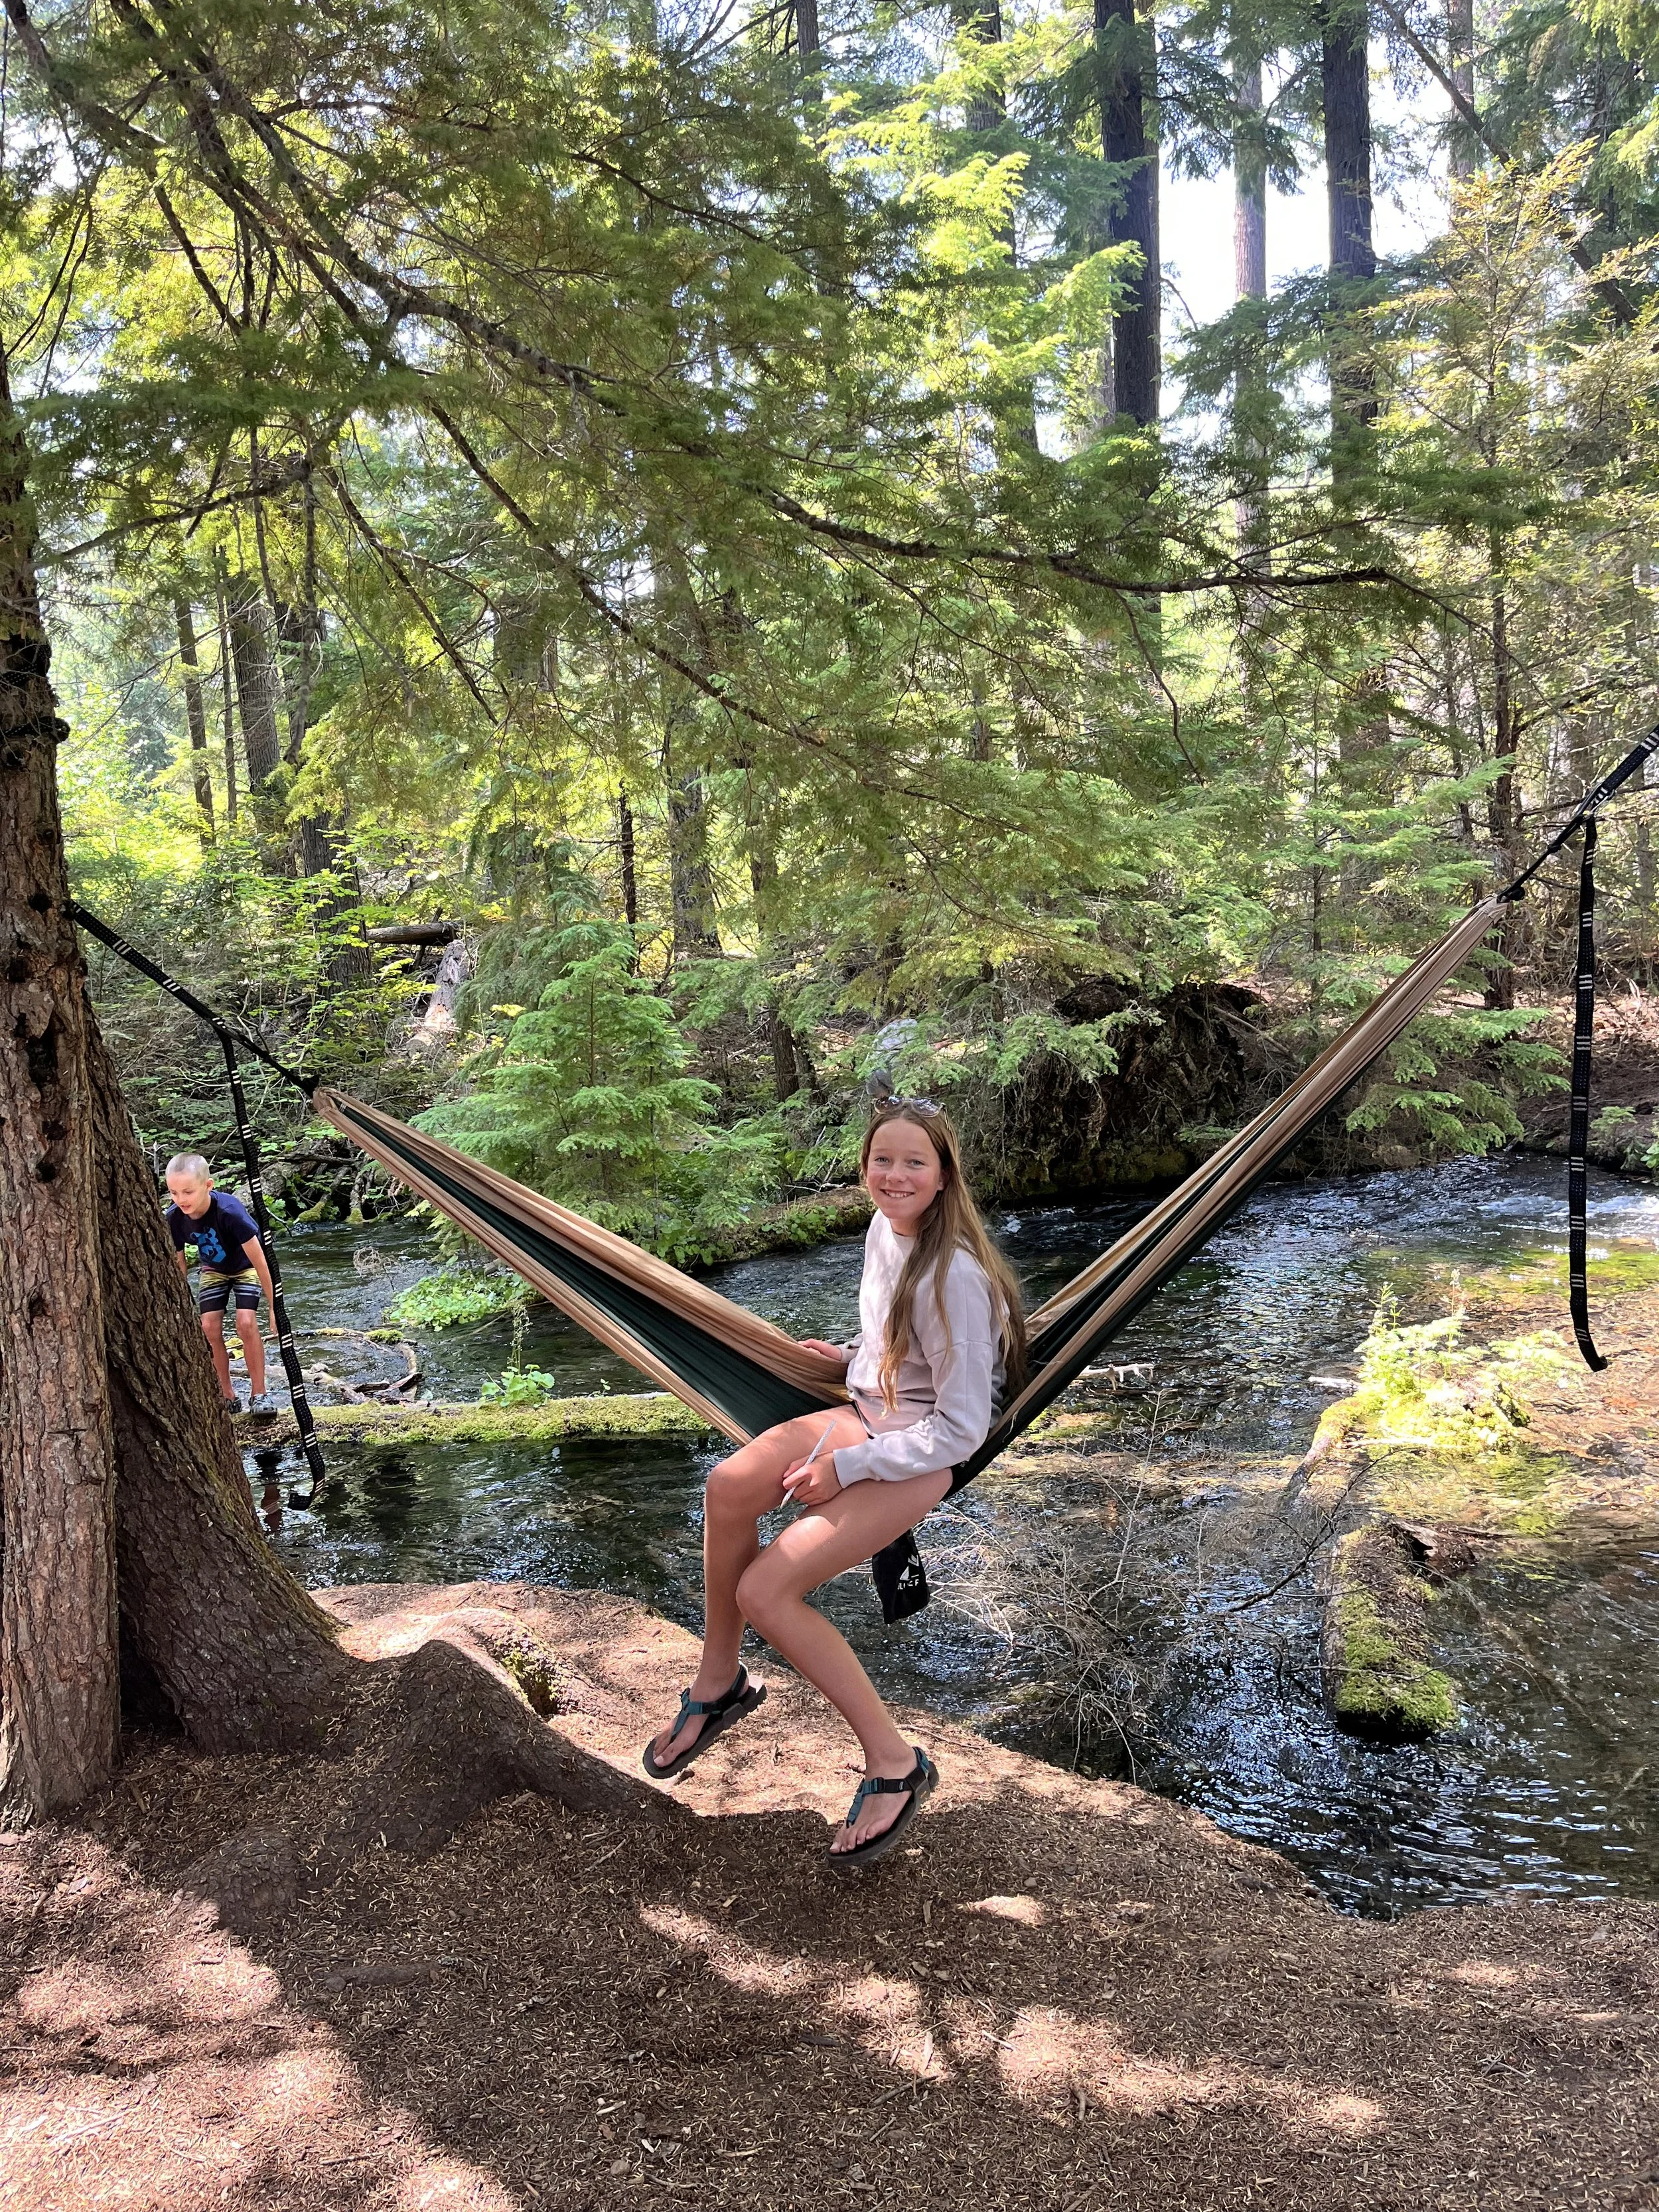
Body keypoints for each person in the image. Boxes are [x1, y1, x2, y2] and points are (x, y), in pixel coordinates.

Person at [643, 1098, 1026, 1868]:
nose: (895, 1175)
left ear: (944, 1174)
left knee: (766, 1593)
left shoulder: (956, 1276)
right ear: (863, 1169)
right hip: (865, 1410)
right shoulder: (884, 1231)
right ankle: (719, 1682)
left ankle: (895, 1764)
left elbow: (959, 1428)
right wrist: (849, 1354)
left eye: (914, 1162)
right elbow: (895, 1339)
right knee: (727, 1487)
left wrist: (844, 1469)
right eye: (882, 1160)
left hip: (916, 1454)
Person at [163, 1153, 279, 1418]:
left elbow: (261, 1263)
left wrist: (275, 1307)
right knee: (209, 1327)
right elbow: (179, 1265)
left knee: (246, 1322)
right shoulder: (174, 1218)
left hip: (245, 1267)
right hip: (213, 1269)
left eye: (188, 1192)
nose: (181, 1200)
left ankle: (259, 1394)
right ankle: (227, 1395)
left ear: (208, 1186)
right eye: (173, 1192)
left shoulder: (230, 1212)